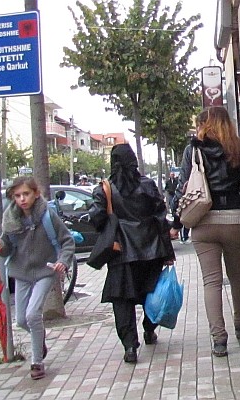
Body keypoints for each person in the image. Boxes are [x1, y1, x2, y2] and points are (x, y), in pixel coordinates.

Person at [170, 106, 240, 357]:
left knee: (211, 281)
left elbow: (182, 187)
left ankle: (219, 339)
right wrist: (238, 195)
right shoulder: (237, 149)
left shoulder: (193, 150)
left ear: (204, 124)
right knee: (237, 276)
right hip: (234, 220)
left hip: (203, 222)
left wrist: (177, 223)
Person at [88, 144, 175, 364]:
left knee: (122, 300)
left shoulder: (104, 189)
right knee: (151, 294)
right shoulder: (146, 185)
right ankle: (149, 328)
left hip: (121, 253)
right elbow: (160, 217)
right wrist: (167, 250)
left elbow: (97, 219)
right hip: (151, 249)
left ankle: (129, 346)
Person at [0, 177, 75, 380]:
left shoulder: (47, 215)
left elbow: (67, 240)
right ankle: (40, 340)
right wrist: (0, 247)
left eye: (26, 194)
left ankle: (37, 362)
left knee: (32, 315)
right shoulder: (10, 217)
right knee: (21, 319)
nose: (22, 199)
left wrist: (62, 261)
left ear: (35, 194)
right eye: (17, 195)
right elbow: (8, 246)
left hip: (45, 271)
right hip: (22, 273)